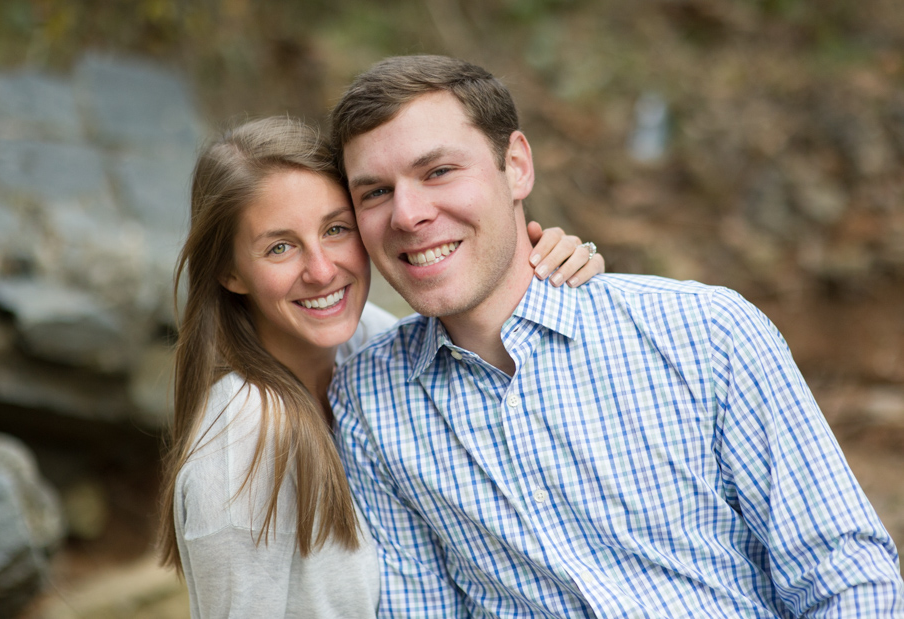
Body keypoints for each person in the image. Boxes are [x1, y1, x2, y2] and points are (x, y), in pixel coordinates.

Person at [328, 55, 904, 617]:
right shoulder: (370, 400)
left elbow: (845, 575)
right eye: (374, 192)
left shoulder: (705, 331)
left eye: (439, 171)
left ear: (517, 166)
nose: (407, 214)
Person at [156, 116, 605, 618]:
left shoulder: (365, 336)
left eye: (335, 229)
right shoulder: (240, 447)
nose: (322, 270)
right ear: (229, 271)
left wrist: (552, 264)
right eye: (279, 247)